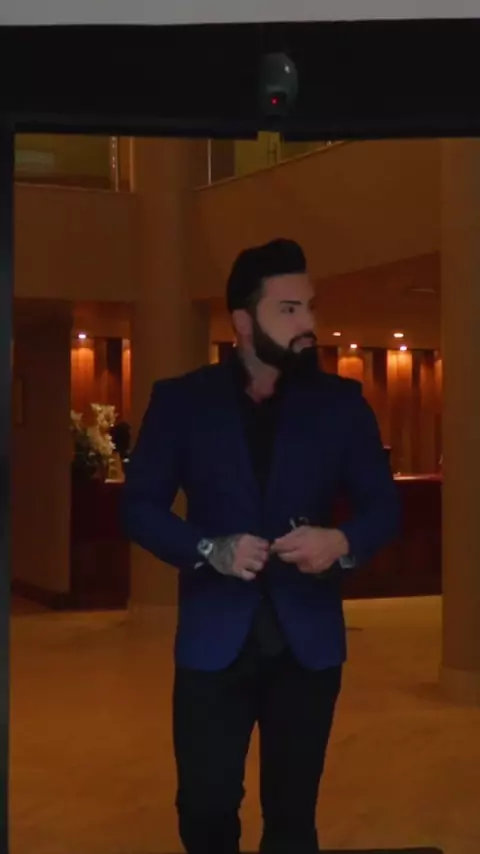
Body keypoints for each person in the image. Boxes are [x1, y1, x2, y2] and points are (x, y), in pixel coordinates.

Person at [122, 238, 400, 854]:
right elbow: (138, 506)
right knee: (205, 808)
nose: (308, 324)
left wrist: (341, 540)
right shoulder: (182, 401)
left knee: (293, 818)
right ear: (244, 322)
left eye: (310, 307)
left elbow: (384, 508)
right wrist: (208, 548)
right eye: (289, 309)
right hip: (214, 639)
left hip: (308, 643)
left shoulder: (342, 404)